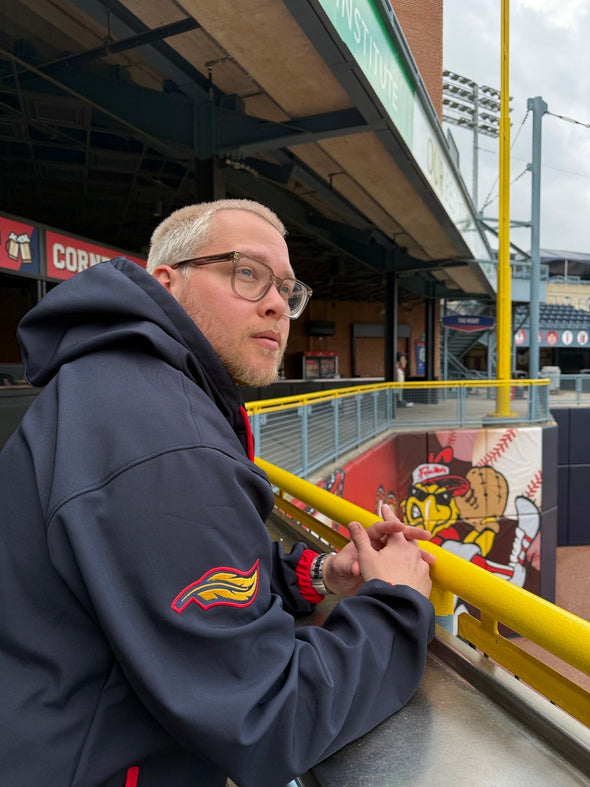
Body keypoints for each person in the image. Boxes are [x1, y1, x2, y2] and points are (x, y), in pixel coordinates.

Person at [0, 199, 435, 787]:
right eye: (247, 272)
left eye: (287, 288)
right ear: (166, 281)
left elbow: (177, 579)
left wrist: (322, 575)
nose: (278, 303)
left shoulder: (123, 387)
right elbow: (268, 714)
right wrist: (397, 602)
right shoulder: (160, 436)